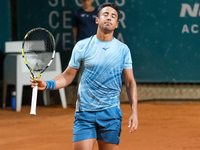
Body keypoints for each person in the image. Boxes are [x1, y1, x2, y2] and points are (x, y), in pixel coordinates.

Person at [30, 2, 138, 150]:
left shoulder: (123, 50)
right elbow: (68, 76)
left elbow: (130, 81)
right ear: (97, 20)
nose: (109, 18)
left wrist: (134, 112)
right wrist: (48, 84)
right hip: (85, 114)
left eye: (113, 16)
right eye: (105, 14)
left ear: (116, 24)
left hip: (111, 114)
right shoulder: (82, 46)